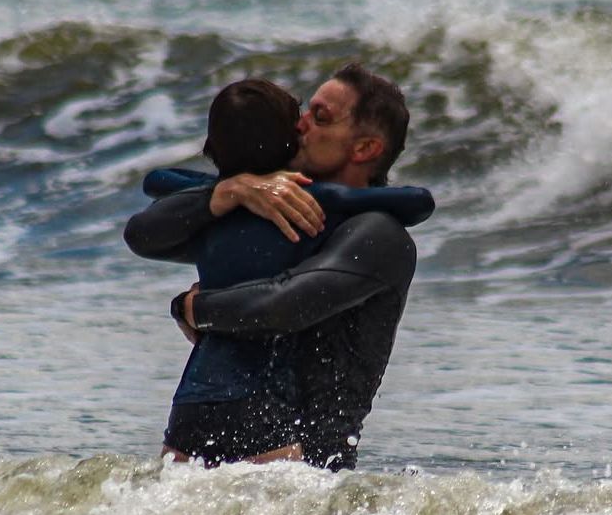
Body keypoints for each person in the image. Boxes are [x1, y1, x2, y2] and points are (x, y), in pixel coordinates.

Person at [125, 63, 428, 471]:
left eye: (320, 117)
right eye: (306, 111)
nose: (300, 125)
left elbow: (282, 305)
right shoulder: (260, 208)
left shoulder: (379, 235)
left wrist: (193, 309)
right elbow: (145, 235)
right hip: (213, 440)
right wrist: (226, 190)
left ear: (364, 149)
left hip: (306, 477)